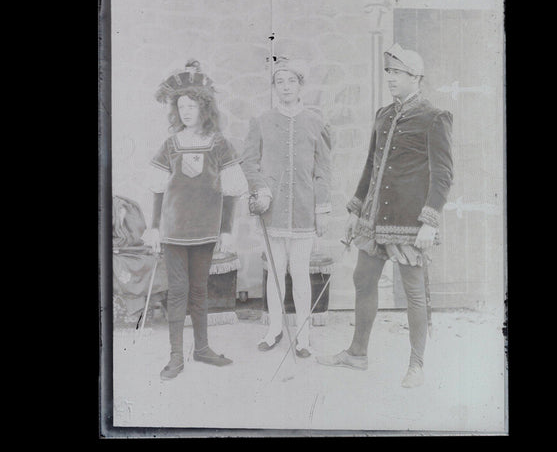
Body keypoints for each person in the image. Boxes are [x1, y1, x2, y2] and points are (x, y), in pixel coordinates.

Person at [316, 43, 453, 388]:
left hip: (410, 223)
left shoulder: (434, 117)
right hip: (374, 219)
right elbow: (370, 166)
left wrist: (430, 220)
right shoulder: (383, 114)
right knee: (363, 280)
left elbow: (443, 175)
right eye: (389, 72)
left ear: (416, 77)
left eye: (398, 73)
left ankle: (416, 365)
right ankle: (356, 354)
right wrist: (355, 209)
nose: (391, 78)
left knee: (413, 293)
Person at [144, 59, 248, 380]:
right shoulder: (170, 145)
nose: (186, 111)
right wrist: (155, 227)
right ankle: (176, 356)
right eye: (181, 106)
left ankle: (202, 348)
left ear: (205, 107)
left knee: (200, 291)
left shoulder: (219, 144)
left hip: (205, 231)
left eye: (192, 105)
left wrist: (227, 230)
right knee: (178, 292)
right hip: (174, 231)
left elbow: (231, 191)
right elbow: (158, 189)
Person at [241, 57, 332, 358]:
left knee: (301, 272)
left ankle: (303, 336)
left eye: (291, 81)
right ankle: (274, 329)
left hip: (304, 210)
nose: (286, 87)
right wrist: (262, 190)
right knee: (275, 271)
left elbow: (323, 171)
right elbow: (249, 162)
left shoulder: (316, 123)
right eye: (280, 82)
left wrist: (322, 209)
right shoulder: (262, 122)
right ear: (274, 87)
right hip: (272, 211)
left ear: (300, 85)